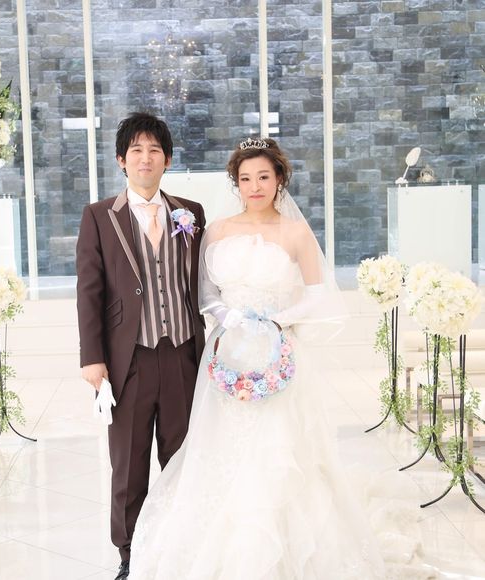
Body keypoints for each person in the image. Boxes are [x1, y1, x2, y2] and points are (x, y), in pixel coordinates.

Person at [127, 138, 436, 579]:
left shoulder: (295, 233)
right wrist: (228, 317)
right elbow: (205, 294)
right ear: (236, 183)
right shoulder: (217, 230)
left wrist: (276, 321)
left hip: (278, 355)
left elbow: (318, 296)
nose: (254, 186)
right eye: (245, 178)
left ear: (279, 180)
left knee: (278, 452)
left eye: (263, 177)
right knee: (220, 449)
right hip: (228, 355)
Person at [76, 112, 206, 580]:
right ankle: (130, 555)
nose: (145, 158)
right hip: (126, 360)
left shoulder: (191, 213)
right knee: (128, 466)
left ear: (167, 160)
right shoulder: (99, 216)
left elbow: (201, 281)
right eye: (136, 150)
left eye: (154, 150)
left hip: (182, 353)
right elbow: (89, 291)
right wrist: (92, 357)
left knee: (181, 458)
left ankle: (179, 545)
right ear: (121, 160)